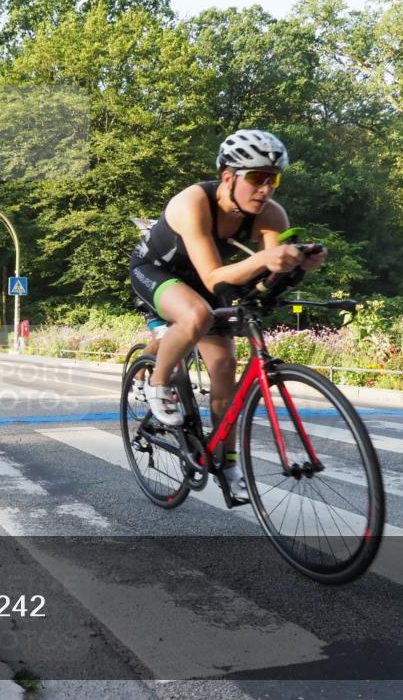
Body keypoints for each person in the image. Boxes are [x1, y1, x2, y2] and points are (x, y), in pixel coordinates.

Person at [129, 129, 328, 498]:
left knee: (223, 368)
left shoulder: (271, 215)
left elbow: (268, 279)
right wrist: (263, 259)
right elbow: (212, 276)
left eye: (273, 179)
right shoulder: (193, 202)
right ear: (228, 177)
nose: (265, 189)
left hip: (209, 281)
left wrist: (299, 265)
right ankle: (156, 384)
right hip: (157, 270)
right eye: (255, 178)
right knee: (194, 316)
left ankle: (228, 461)